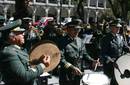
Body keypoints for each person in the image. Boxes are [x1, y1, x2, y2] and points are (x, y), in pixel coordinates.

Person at [0, 19, 50, 85]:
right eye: (20, 33)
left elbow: (25, 64)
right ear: (12, 37)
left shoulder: (16, 49)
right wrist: (42, 65)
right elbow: (24, 76)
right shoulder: (8, 53)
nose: (23, 35)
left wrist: (38, 61)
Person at [58, 21, 99, 85]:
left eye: (78, 29)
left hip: (78, 73)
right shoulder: (61, 41)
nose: (77, 32)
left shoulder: (80, 41)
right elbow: (60, 59)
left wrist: (92, 61)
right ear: (68, 30)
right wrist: (72, 67)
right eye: (74, 29)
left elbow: (85, 54)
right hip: (66, 75)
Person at [100, 20, 130, 85]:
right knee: (110, 82)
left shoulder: (120, 37)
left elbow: (125, 47)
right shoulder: (105, 38)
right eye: (116, 27)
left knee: (119, 81)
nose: (118, 29)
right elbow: (103, 53)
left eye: (119, 27)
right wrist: (111, 61)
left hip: (119, 64)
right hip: (110, 65)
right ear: (111, 28)